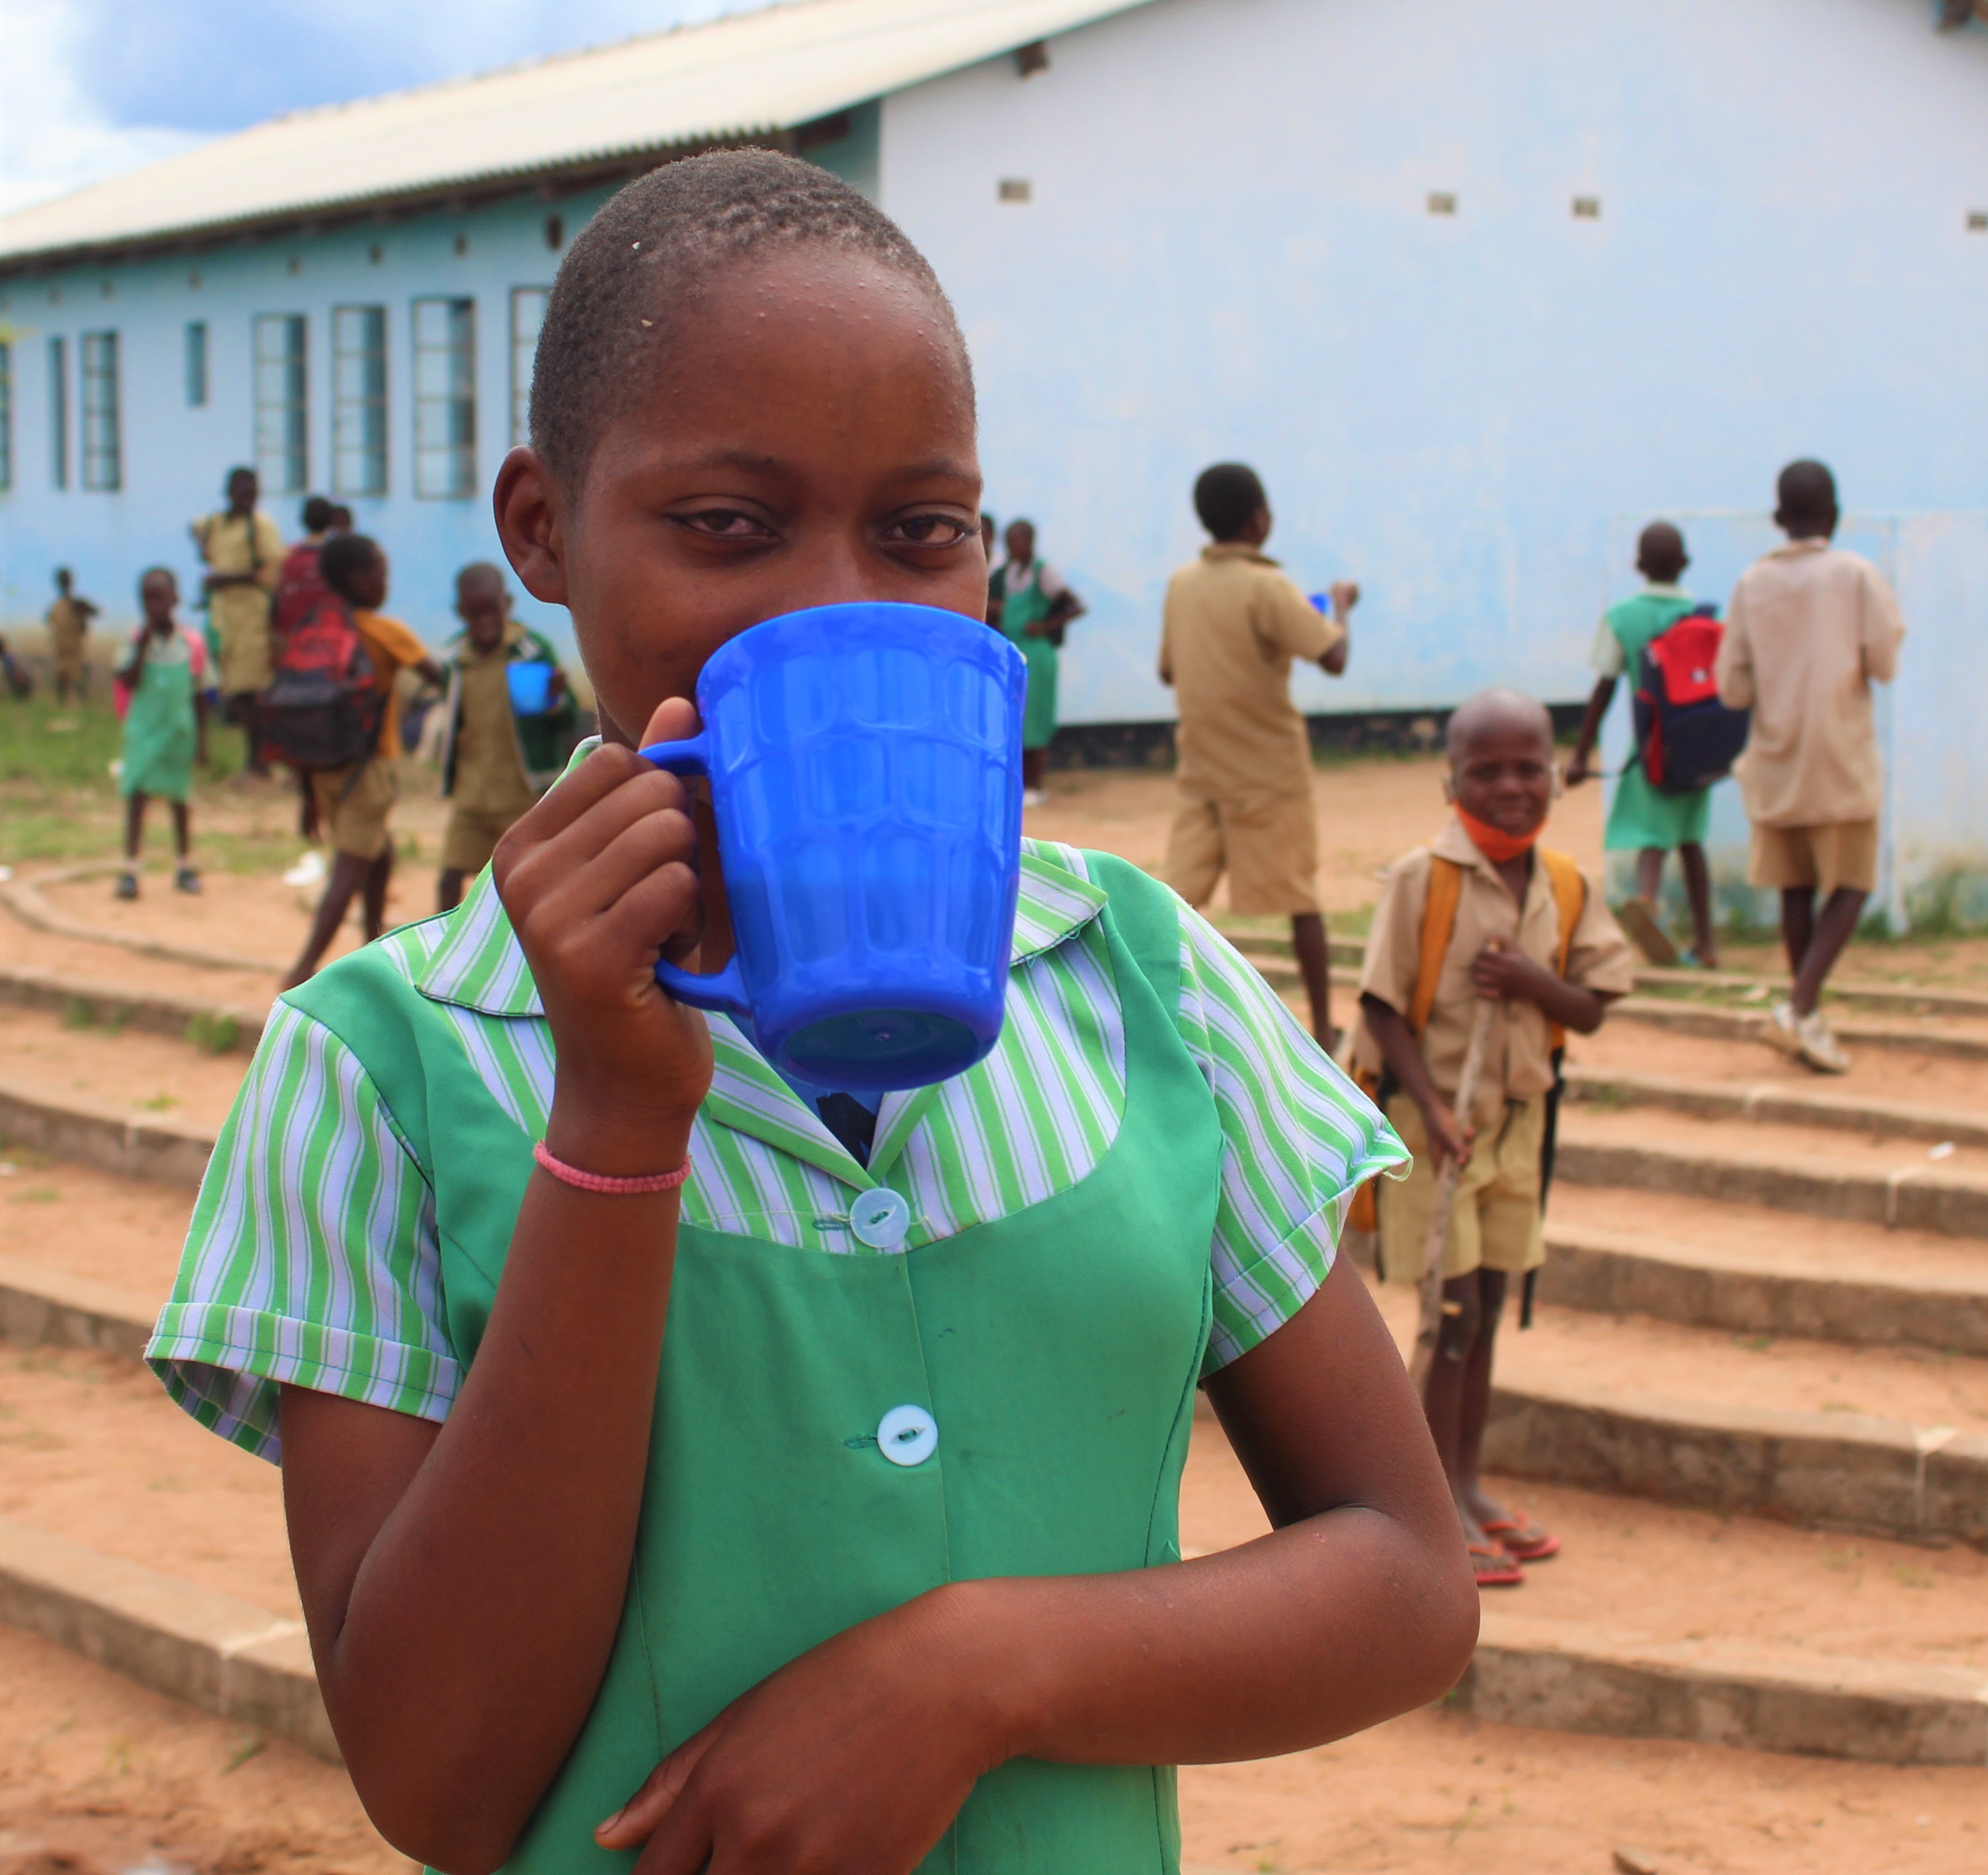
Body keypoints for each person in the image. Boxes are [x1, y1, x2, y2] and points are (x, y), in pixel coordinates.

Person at [147, 148, 1469, 1875]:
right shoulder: (380, 1068)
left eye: (921, 532)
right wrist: (616, 1126)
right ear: (542, 529)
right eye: (728, 527)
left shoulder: (1149, 984)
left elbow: (1405, 1574)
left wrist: (977, 1673)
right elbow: (438, 1782)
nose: (845, 604)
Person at [1353, 691, 1634, 1587]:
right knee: (1451, 1315)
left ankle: (1467, 1486)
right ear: (1450, 781)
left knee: (1490, 1314)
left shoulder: (1564, 882)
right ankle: (1430, 1511)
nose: (1511, 787)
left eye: (1528, 768)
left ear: (1557, 772)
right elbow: (1382, 1010)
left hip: (1516, 1129)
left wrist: (1529, 980)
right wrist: (1433, 1113)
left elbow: (1591, 1006)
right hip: (1439, 1131)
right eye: (1486, 772)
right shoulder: (1419, 880)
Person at [1159, 461, 1359, 1049]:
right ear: (1260, 520)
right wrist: (1342, 605)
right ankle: (1323, 1028)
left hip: (1201, 771)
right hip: (1269, 770)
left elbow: (1168, 668)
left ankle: (1165, 1023)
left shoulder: (1182, 585)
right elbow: (1334, 657)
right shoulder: (1268, 587)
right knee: (1301, 903)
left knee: (1175, 905)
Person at [1718, 460, 1906, 1076]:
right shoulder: (1855, 576)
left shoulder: (1751, 585)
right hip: (1840, 756)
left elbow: (1731, 689)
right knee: (1850, 885)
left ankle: (1806, 1013)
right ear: (1835, 514)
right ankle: (1800, 1006)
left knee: (1793, 888)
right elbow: (1884, 661)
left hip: (1776, 756)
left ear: (1777, 519)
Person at [280, 534, 440, 989]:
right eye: (381, 574)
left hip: (325, 769)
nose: (386, 583)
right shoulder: (383, 631)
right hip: (369, 768)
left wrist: (306, 795)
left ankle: (375, 944)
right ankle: (301, 970)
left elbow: (298, 709)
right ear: (360, 580)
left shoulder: (313, 630)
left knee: (379, 853)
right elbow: (438, 676)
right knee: (349, 869)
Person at [1564, 519, 1719, 967]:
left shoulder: (1623, 618)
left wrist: (1580, 754)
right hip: (1699, 749)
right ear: (1685, 565)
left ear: (1638, 566)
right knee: (1692, 841)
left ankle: (1647, 901)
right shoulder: (1704, 617)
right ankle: (1706, 944)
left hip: (1651, 748)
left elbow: (1605, 688)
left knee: (1652, 835)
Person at [436, 562, 575, 912]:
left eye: (491, 610)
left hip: (523, 799)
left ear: (508, 604)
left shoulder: (531, 653)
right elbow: (456, 724)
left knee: (528, 886)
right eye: (474, 613)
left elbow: (568, 718)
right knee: (449, 879)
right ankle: (442, 958)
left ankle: (525, 959)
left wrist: (555, 700)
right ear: (460, 612)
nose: (483, 620)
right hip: (473, 797)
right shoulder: (455, 662)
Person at [112, 568, 212, 899]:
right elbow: (127, 680)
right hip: (143, 734)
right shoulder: (134, 640)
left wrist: (203, 742)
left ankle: (185, 866)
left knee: (180, 801)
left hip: (178, 733)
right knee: (137, 798)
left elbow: (201, 695)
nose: (153, 605)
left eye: (160, 597)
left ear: (175, 599)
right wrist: (142, 644)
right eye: (147, 598)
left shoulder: (192, 643)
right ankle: (131, 871)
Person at [989, 517, 1083, 806]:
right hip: (1015, 651)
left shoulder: (1044, 572)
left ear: (1029, 541)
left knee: (1035, 718)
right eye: (1008, 542)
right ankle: (1020, 784)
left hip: (1038, 654)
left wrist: (1045, 626)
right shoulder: (1008, 572)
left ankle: (1036, 785)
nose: (1011, 547)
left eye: (1016, 542)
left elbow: (1075, 606)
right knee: (1016, 717)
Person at [190, 466, 285, 747]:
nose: (248, 499)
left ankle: (258, 760)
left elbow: (270, 571)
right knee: (219, 682)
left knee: (251, 688)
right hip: (222, 616)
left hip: (252, 615)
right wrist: (205, 551)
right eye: (243, 493)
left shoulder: (261, 526)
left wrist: (223, 578)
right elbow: (195, 530)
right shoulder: (217, 523)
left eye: (253, 493)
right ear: (229, 492)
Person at [46, 568, 98, 704]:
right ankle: (64, 705)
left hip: (73, 651)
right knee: (62, 679)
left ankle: (81, 705)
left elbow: (94, 613)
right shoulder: (59, 606)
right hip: (62, 651)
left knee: (76, 677)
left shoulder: (75, 604)